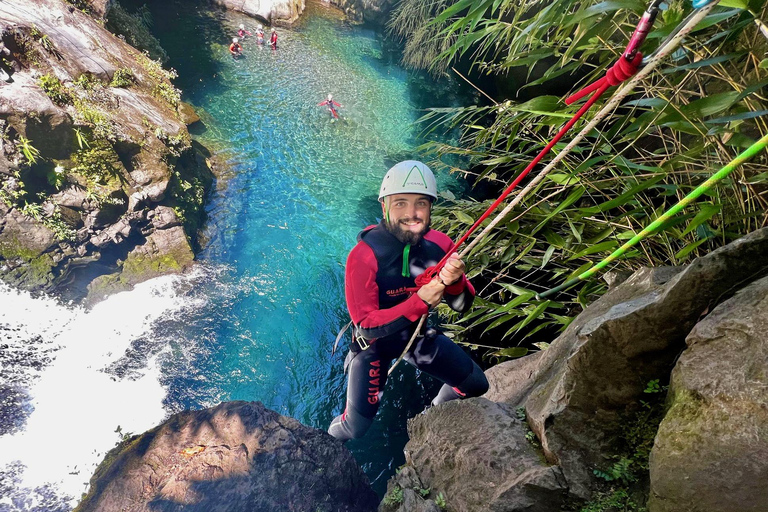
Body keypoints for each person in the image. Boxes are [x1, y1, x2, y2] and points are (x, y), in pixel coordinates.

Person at [328, 161, 489, 442]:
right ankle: (323, 442)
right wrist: (421, 301)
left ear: (430, 208)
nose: (412, 214)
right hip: (374, 347)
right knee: (355, 428)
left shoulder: (440, 245)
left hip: (414, 337)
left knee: (475, 384)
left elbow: (462, 305)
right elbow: (366, 325)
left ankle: (434, 415)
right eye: (400, 203)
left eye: (421, 204)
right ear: (384, 207)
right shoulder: (363, 256)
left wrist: (455, 281)